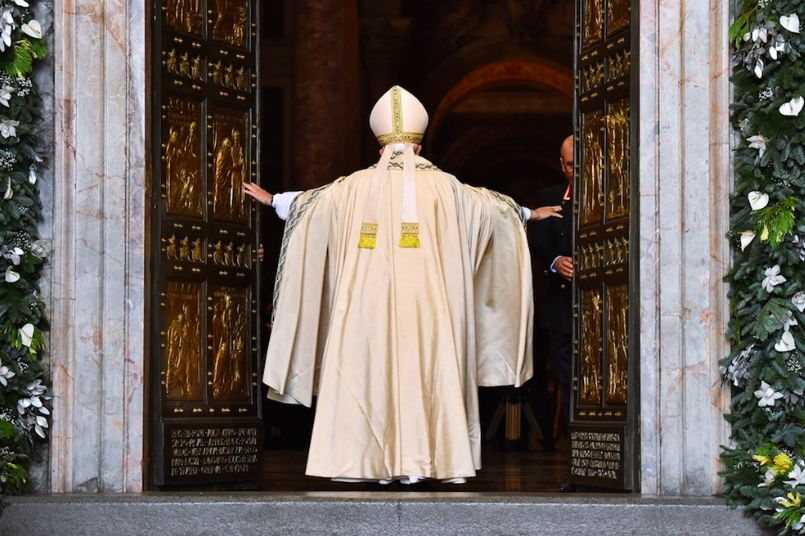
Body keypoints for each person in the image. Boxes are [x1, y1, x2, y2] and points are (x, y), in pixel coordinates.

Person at [244, 86, 562, 485]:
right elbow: (494, 209)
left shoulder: (350, 187)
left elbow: (310, 205)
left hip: (365, 313)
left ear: (380, 148)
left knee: (367, 372)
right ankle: (422, 463)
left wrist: (274, 199)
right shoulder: (448, 186)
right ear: (420, 145)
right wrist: (531, 212)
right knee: (425, 373)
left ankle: (363, 463)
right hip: (430, 311)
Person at [533, 135, 575, 491]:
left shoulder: (613, 193)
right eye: (571, 165)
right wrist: (555, 262)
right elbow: (539, 242)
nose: (578, 170)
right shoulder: (550, 197)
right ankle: (577, 465)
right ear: (561, 165)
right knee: (568, 384)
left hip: (606, 308)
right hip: (562, 309)